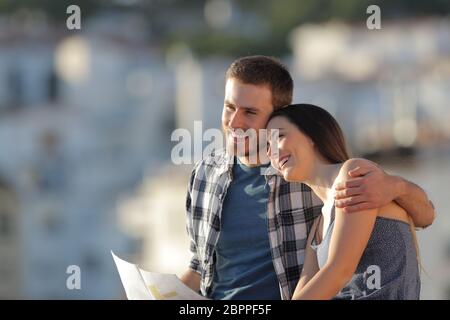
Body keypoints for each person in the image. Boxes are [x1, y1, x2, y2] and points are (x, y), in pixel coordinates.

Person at [180, 56, 435, 300]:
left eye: (250, 112)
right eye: (229, 107)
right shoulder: (205, 174)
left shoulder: (322, 176)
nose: (235, 121)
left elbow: (424, 216)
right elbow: (198, 266)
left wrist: (397, 187)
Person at [267, 104, 421, 299]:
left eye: (278, 136)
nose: (272, 152)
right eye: (267, 146)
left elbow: (339, 271)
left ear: (311, 134)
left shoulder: (354, 173)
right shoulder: (318, 226)